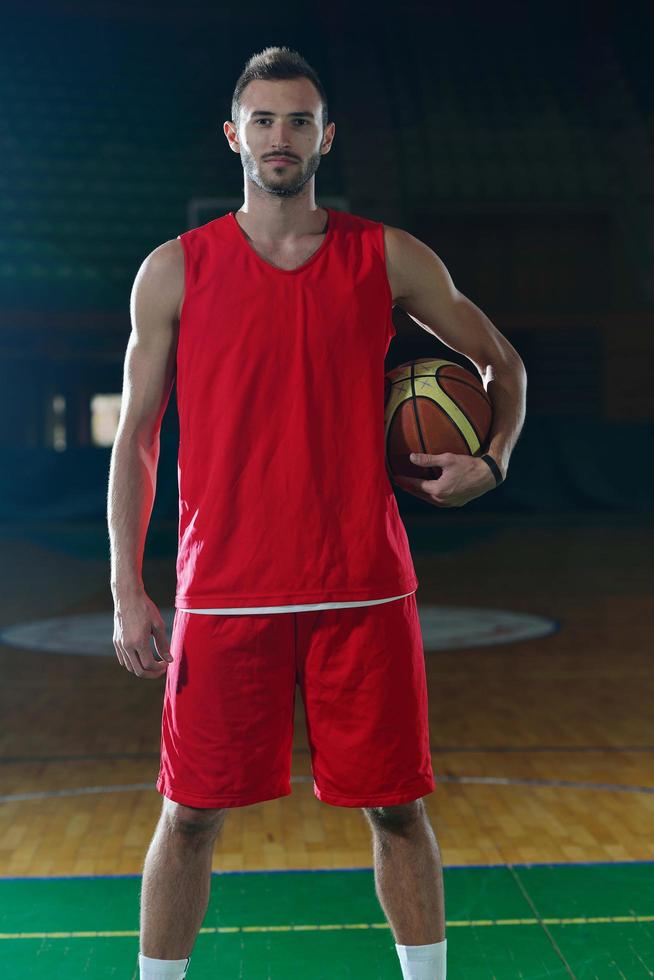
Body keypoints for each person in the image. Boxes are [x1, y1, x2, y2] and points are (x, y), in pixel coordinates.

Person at [108, 46, 526, 980]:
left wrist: (491, 460)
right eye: (263, 120)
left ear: (327, 136)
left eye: (299, 120)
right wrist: (127, 589)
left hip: (364, 588)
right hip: (223, 594)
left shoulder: (387, 257)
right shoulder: (174, 271)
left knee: (399, 810)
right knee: (188, 816)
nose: (281, 136)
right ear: (234, 136)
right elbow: (136, 438)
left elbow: (505, 362)